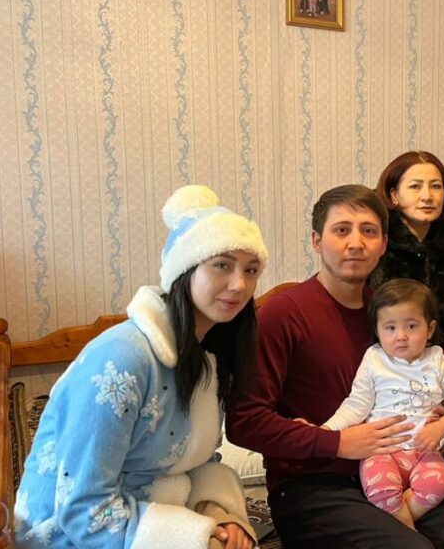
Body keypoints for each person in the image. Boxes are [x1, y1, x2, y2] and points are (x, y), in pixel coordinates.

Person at [225, 185, 444, 549]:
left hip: (395, 467)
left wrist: (432, 407)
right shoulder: (283, 315)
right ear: (317, 241)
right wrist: (335, 442)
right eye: (341, 230)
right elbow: (244, 423)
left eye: (368, 231)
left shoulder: (389, 316)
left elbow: (420, 378)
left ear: (383, 244)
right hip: (312, 486)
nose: (356, 242)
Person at [14, 185, 267, 549]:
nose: (239, 284)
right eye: (222, 265)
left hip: (154, 510)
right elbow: (82, 507)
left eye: (251, 270)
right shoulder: (121, 360)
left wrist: (218, 513)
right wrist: (196, 538)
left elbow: (192, 457)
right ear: (185, 269)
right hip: (68, 534)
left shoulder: (208, 356)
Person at [321, 278, 444, 532]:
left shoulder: (437, 360)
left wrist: (442, 427)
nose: (401, 336)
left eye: (411, 326)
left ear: (430, 328)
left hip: (424, 451)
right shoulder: (374, 359)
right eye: (390, 328)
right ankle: (408, 533)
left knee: (439, 485)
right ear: (377, 330)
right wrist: (327, 430)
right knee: (380, 487)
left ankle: (400, 525)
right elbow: (356, 405)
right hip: (382, 449)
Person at [370, 151, 444, 337]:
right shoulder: (378, 242)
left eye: (436, 186)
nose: (427, 196)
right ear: (394, 195)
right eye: (415, 186)